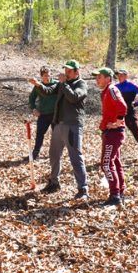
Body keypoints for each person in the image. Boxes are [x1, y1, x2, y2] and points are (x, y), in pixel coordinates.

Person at [28, 60, 89, 200]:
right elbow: (49, 91)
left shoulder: (81, 84)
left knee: (75, 157)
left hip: (73, 125)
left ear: (76, 72)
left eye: (69, 71)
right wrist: (38, 84)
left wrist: (64, 84)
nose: (66, 73)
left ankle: (83, 189)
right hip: (58, 125)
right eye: (65, 70)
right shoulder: (62, 84)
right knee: (54, 155)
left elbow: (74, 98)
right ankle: (54, 183)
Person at [93, 67, 128, 207]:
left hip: (114, 133)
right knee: (115, 162)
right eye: (96, 77)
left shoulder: (112, 90)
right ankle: (120, 191)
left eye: (99, 77)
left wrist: (117, 122)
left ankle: (115, 195)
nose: (97, 79)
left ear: (108, 78)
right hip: (111, 133)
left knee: (106, 164)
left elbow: (123, 107)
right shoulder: (106, 91)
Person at [115, 68, 138, 164]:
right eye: (118, 75)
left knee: (137, 135)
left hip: (130, 113)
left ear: (126, 76)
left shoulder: (131, 85)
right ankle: (114, 157)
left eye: (122, 75)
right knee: (115, 136)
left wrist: (136, 104)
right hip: (118, 114)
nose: (119, 77)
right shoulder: (115, 87)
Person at [28, 66, 57, 160]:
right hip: (43, 114)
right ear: (41, 76)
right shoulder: (37, 86)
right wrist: (33, 109)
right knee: (39, 134)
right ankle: (35, 154)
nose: (47, 77)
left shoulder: (56, 84)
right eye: (45, 75)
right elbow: (31, 98)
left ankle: (55, 154)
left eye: (48, 75)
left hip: (55, 114)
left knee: (56, 135)